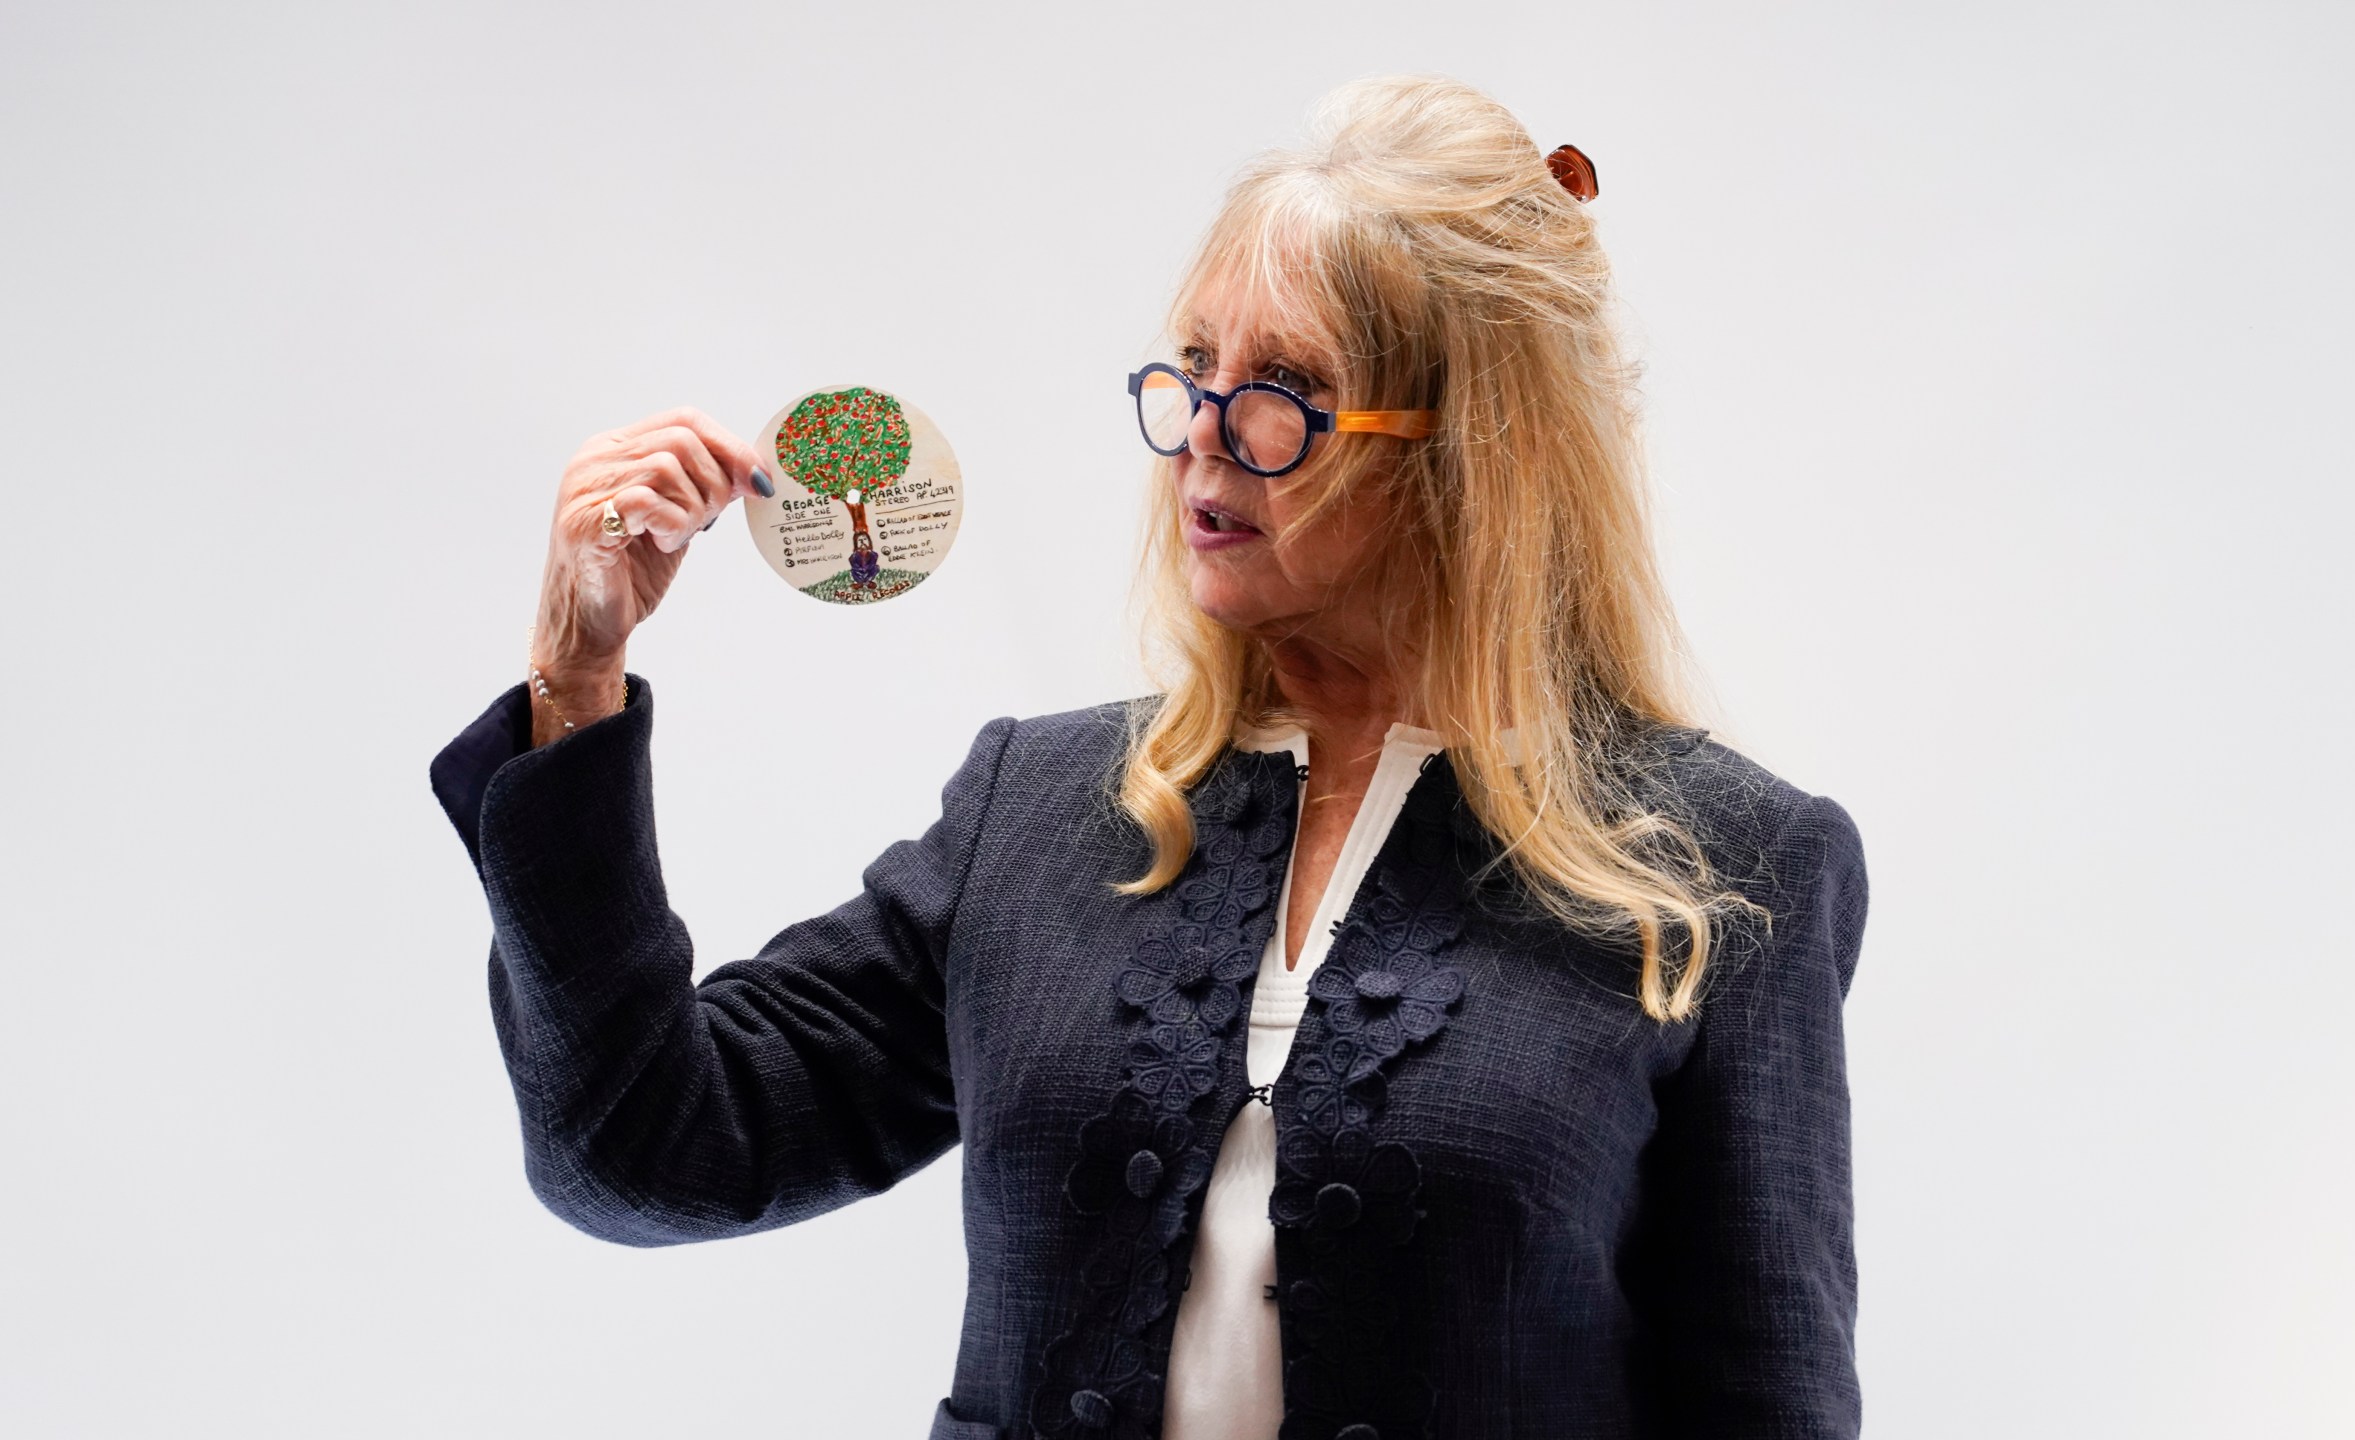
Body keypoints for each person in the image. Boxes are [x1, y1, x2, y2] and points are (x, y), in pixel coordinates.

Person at [432, 75, 1868, 1440]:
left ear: (1470, 453)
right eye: (1194, 371)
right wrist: (577, 677)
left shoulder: (1726, 870)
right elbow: (639, 1144)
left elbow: (1764, 1403)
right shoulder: (1040, 812)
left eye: (1284, 391)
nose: (1200, 442)